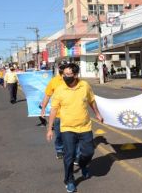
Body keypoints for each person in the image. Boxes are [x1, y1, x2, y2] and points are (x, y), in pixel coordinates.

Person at [46, 63, 103, 193]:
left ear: (75, 75)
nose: (64, 77)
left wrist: (98, 114)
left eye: (68, 75)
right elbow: (54, 110)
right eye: (63, 74)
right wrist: (50, 129)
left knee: (89, 152)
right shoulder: (60, 89)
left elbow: (91, 101)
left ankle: (83, 165)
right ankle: (69, 180)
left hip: (85, 127)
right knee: (69, 155)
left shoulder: (85, 86)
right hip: (67, 128)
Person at [40, 61, 67, 158]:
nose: (63, 69)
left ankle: (75, 153)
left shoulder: (73, 79)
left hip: (70, 113)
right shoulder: (54, 81)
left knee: (73, 135)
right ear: (59, 68)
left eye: (65, 67)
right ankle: (59, 149)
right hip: (58, 114)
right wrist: (43, 108)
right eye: (62, 67)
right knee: (59, 134)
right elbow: (47, 95)